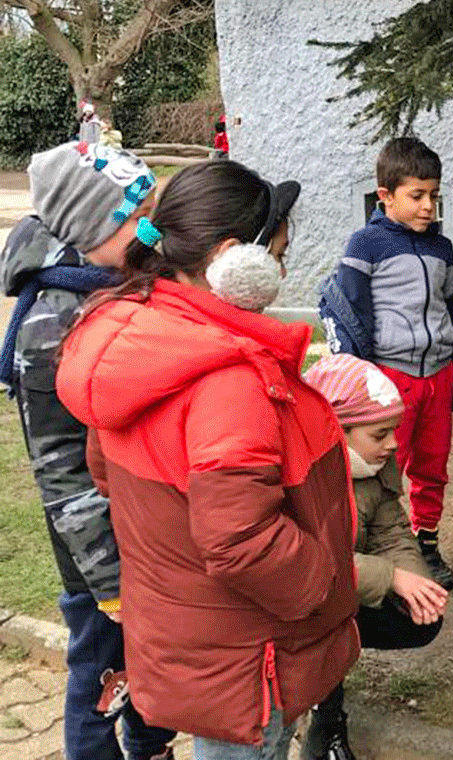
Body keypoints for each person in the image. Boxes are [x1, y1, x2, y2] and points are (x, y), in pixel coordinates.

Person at [55, 160, 359, 760]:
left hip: (192, 635)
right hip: (248, 659)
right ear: (228, 256)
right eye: (276, 252)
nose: (282, 268)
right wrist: (323, 576)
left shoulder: (140, 337)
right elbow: (238, 539)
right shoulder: (226, 377)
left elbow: (104, 470)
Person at [0, 142, 176, 760]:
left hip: (146, 532)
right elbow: (60, 474)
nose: (151, 229)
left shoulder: (116, 283)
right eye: (136, 217)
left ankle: (152, 748)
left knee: (156, 673)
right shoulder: (52, 325)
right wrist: (110, 580)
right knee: (104, 680)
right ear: (87, 228)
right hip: (101, 558)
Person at [319, 136, 453, 591]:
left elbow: (448, 303)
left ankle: (426, 544)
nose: (428, 206)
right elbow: (349, 306)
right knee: (386, 467)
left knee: (432, 464)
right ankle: (373, 549)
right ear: (385, 195)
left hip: (438, 373)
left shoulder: (441, 247)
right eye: (417, 195)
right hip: (392, 377)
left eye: (434, 195)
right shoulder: (366, 244)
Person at [300, 353, 448, 760]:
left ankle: (321, 676)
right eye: (380, 433)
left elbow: (391, 528)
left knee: (419, 619)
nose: (394, 443)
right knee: (323, 621)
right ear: (336, 430)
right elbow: (303, 567)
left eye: (394, 431)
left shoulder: (372, 464)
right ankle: (326, 722)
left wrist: (414, 582)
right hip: (293, 601)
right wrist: (390, 578)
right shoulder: (299, 477)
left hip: (342, 584)